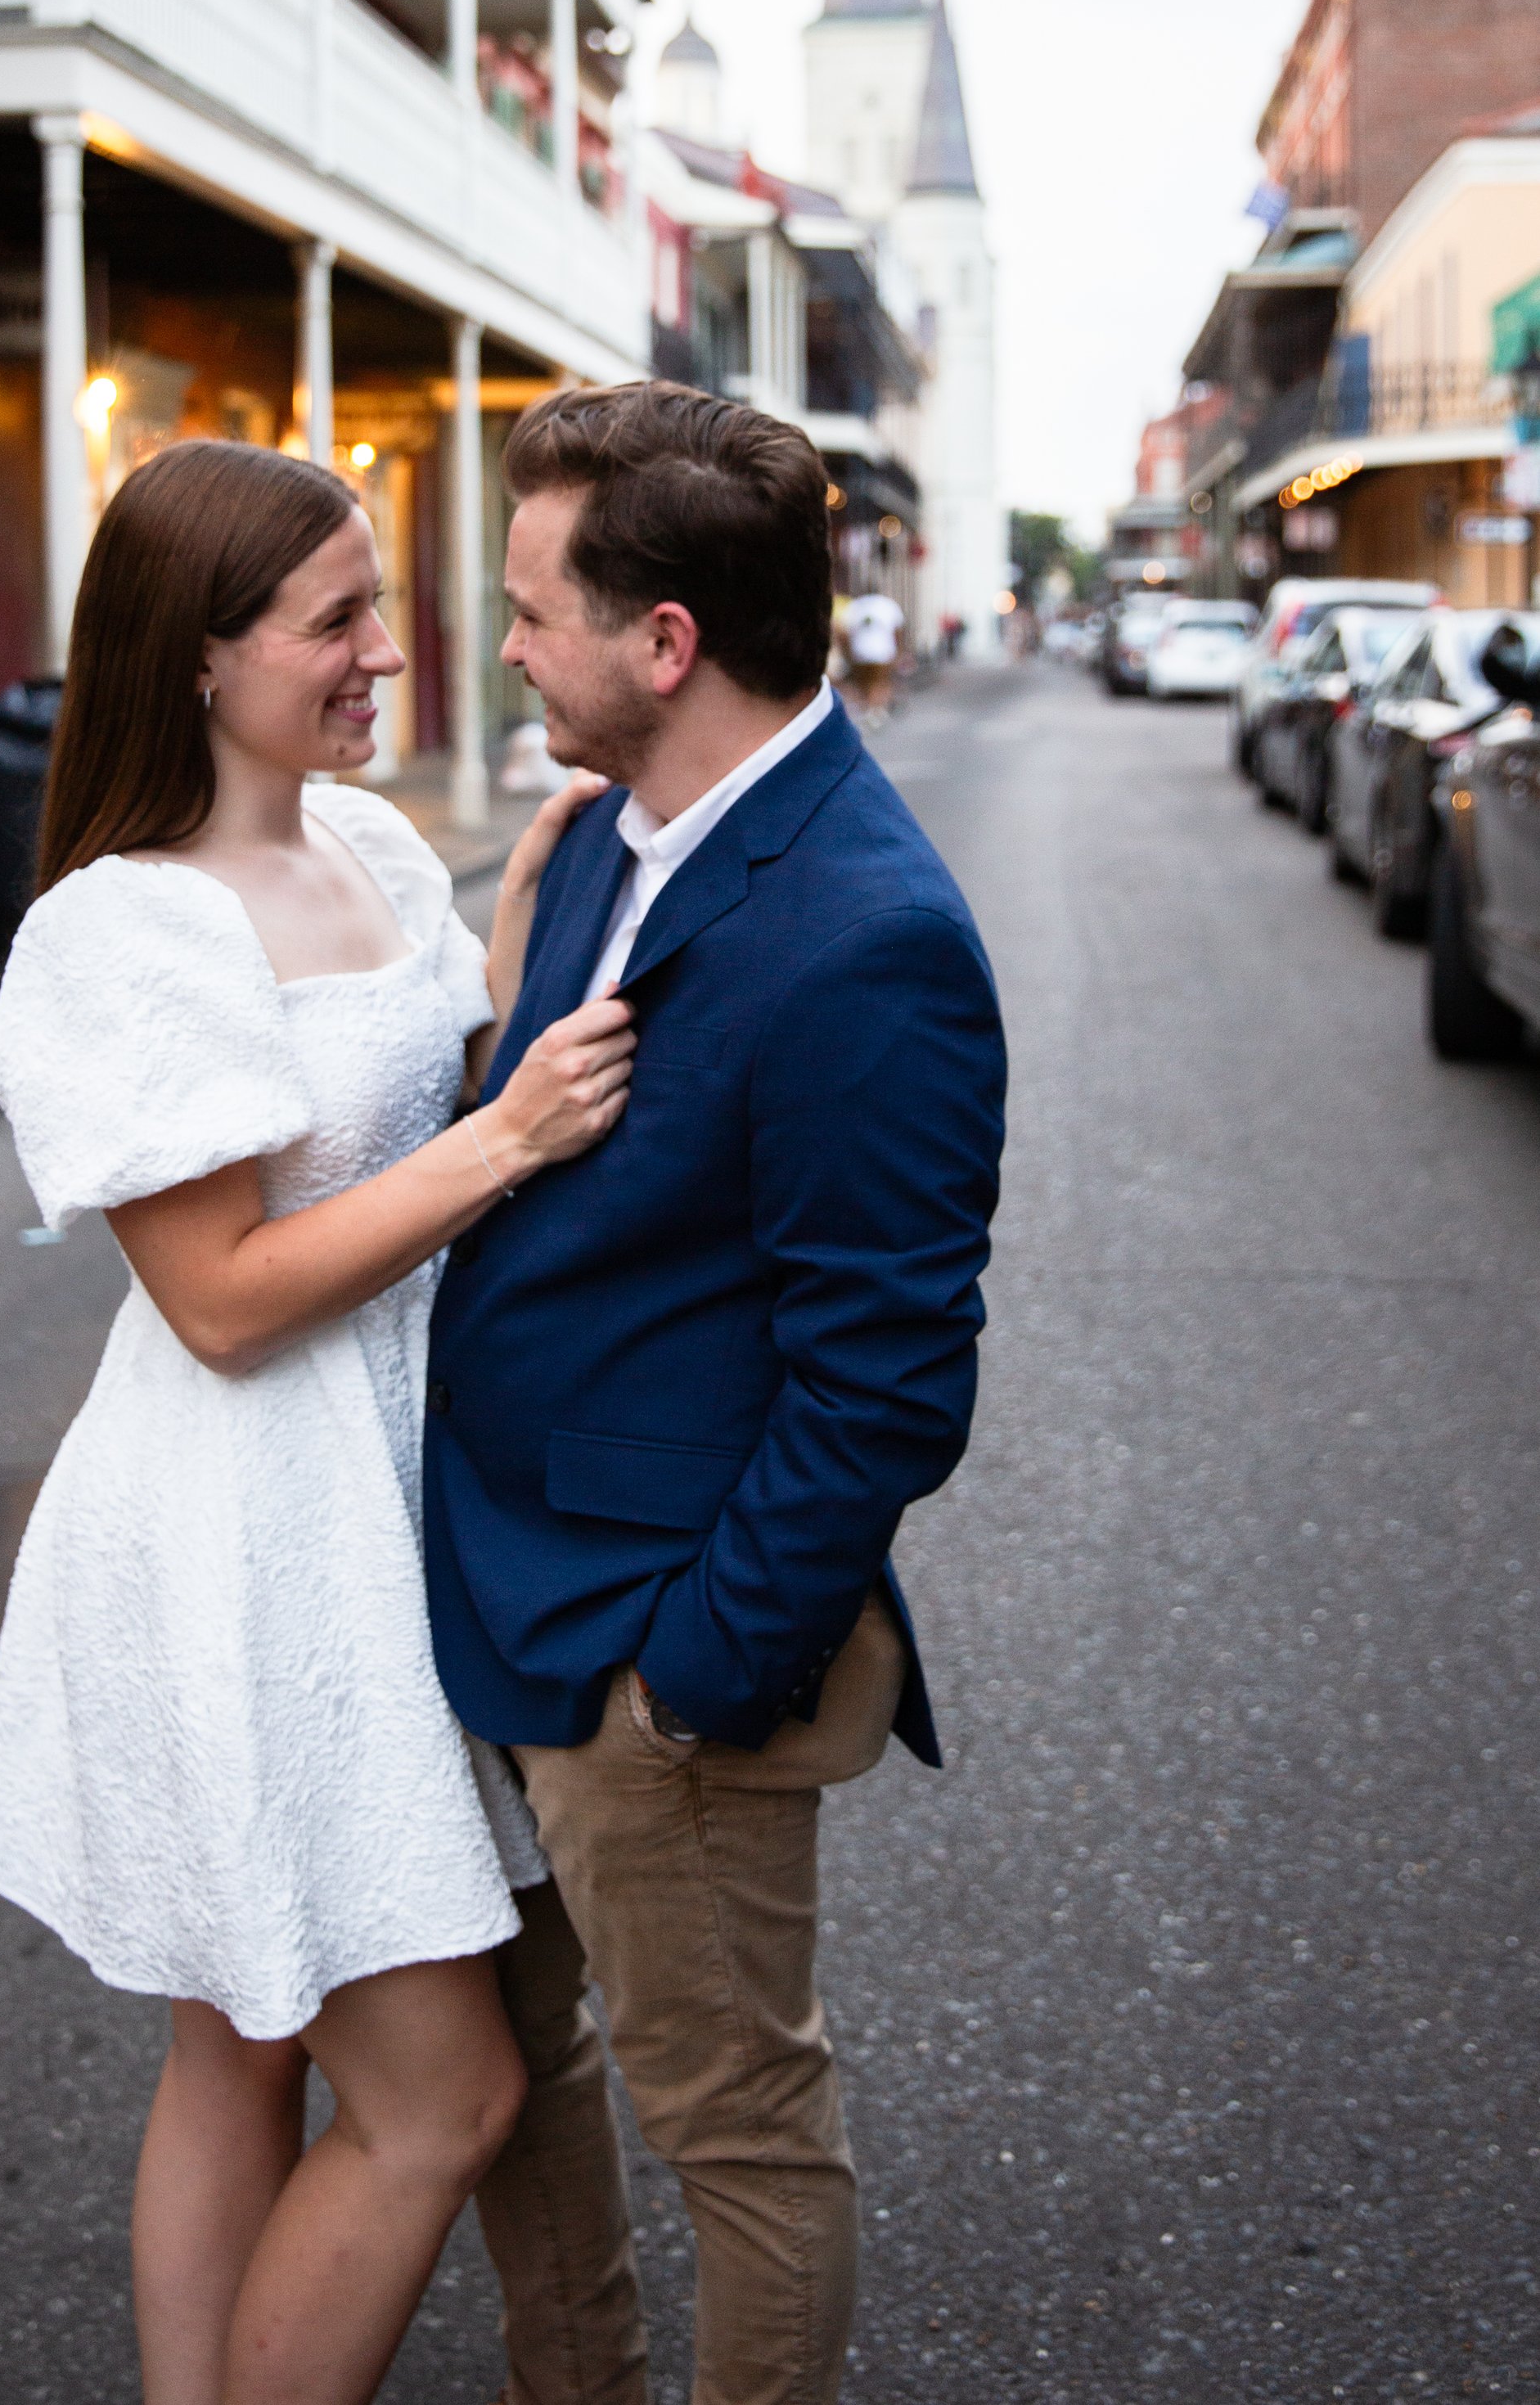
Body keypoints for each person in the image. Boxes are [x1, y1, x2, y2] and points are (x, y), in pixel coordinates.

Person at [0, 439, 635, 2405]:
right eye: (337, 617)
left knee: (240, 2036)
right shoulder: (124, 927)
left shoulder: (376, 850)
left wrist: (516, 932)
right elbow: (225, 1293)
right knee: (447, 2090)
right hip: (240, 1533)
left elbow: (425, 1114)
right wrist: (511, 1131)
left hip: (376, 1496)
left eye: (379, 608)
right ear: (200, 651)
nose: (388, 654)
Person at [428, 381, 1006, 2405]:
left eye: (530, 607)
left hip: (653, 1653)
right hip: (497, 1597)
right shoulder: (610, 829)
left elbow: (887, 1376)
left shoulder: (870, 934)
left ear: (661, 641)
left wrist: (699, 1667)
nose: (501, 641)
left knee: (737, 2128)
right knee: (504, 2067)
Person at [840, 587, 904, 724]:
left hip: (860, 652)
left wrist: (848, 652)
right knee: (880, 682)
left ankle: (869, 710)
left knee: (865, 683)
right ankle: (877, 710)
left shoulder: (855, 606)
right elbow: (897, 630)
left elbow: (844, 632)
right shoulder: (888, 604)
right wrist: (898, 651)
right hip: (883, 652)